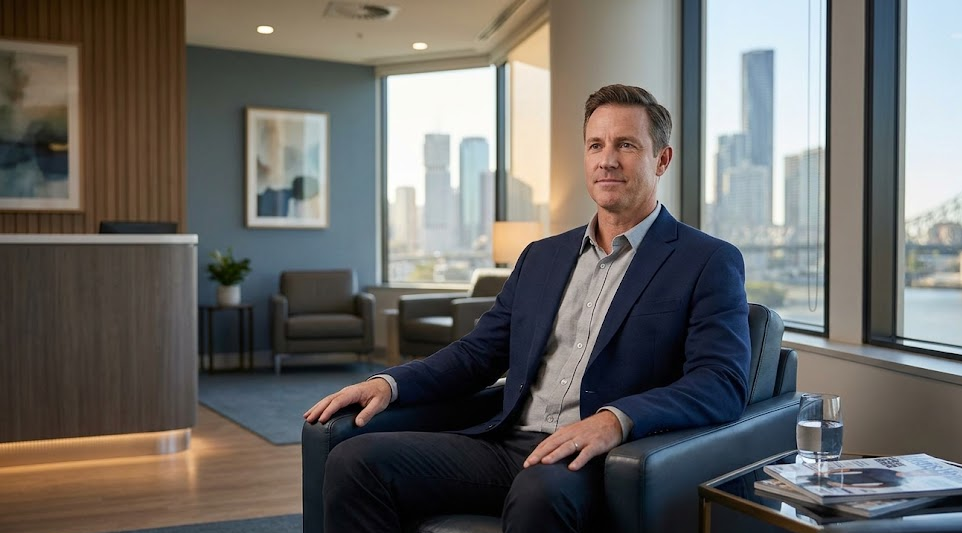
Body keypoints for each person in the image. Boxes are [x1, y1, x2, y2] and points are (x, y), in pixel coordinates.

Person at [304, 84, 752, 532]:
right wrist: (390, 383)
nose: (607, 160)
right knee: (354, 460)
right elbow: (478, 354)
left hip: (598, 459)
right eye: (595, 144)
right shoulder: (542, 256)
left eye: (626, 145)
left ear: (662, 159)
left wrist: (616, 420)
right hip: (506, 445)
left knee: (539, 494)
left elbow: (721, 382)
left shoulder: (706, 260)